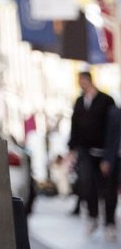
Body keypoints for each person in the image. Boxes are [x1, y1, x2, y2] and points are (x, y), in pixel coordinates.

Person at [73, 69, 116, 238]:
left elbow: (114, 128)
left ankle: (110, 223)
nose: (80, 84)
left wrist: (109, 156)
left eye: (82, 80)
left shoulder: (106, 100)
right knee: (87, 184)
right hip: (85, 152)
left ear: (88, 80)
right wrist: (72, 149)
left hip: (105, 152)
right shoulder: (78, 102)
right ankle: (93, 217)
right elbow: (74, 126)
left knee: (108, 189)